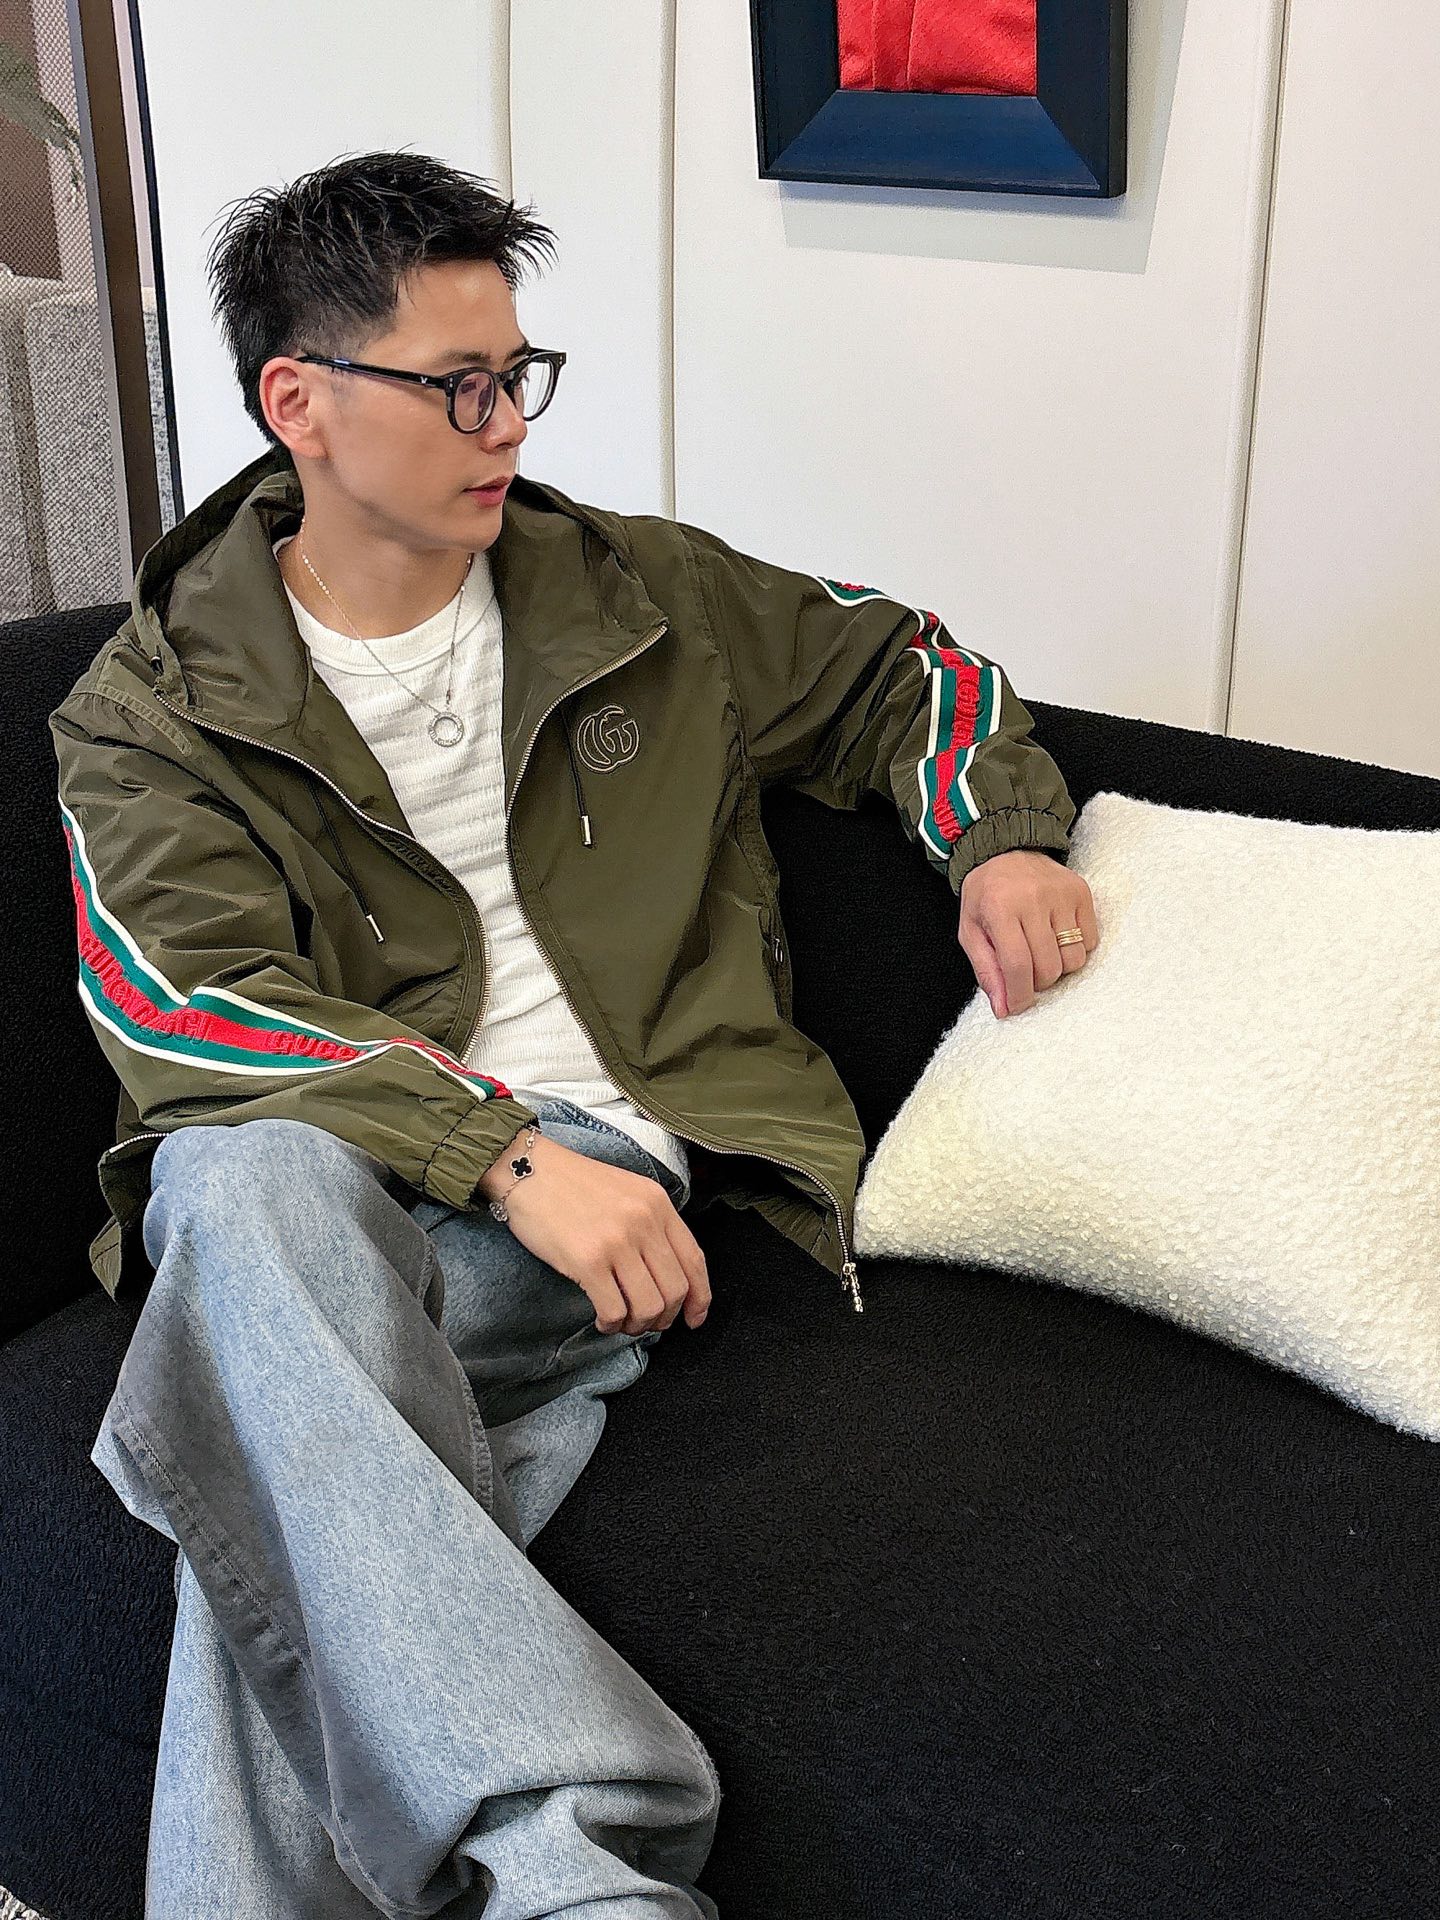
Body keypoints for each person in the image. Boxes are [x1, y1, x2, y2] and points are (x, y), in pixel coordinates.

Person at [50, 149, 1097, 1918]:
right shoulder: (152, 708)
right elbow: (183, 1007)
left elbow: (907, 669)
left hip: (612, 1169)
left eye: (518, 374)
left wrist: (996, 833)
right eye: (456, 385)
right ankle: (574, 1861)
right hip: (385, 1182)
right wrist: (499, 1154)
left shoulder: (643, 599)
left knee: (240, 1348)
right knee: (238, 1200)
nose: (507, 424)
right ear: (299, 404)